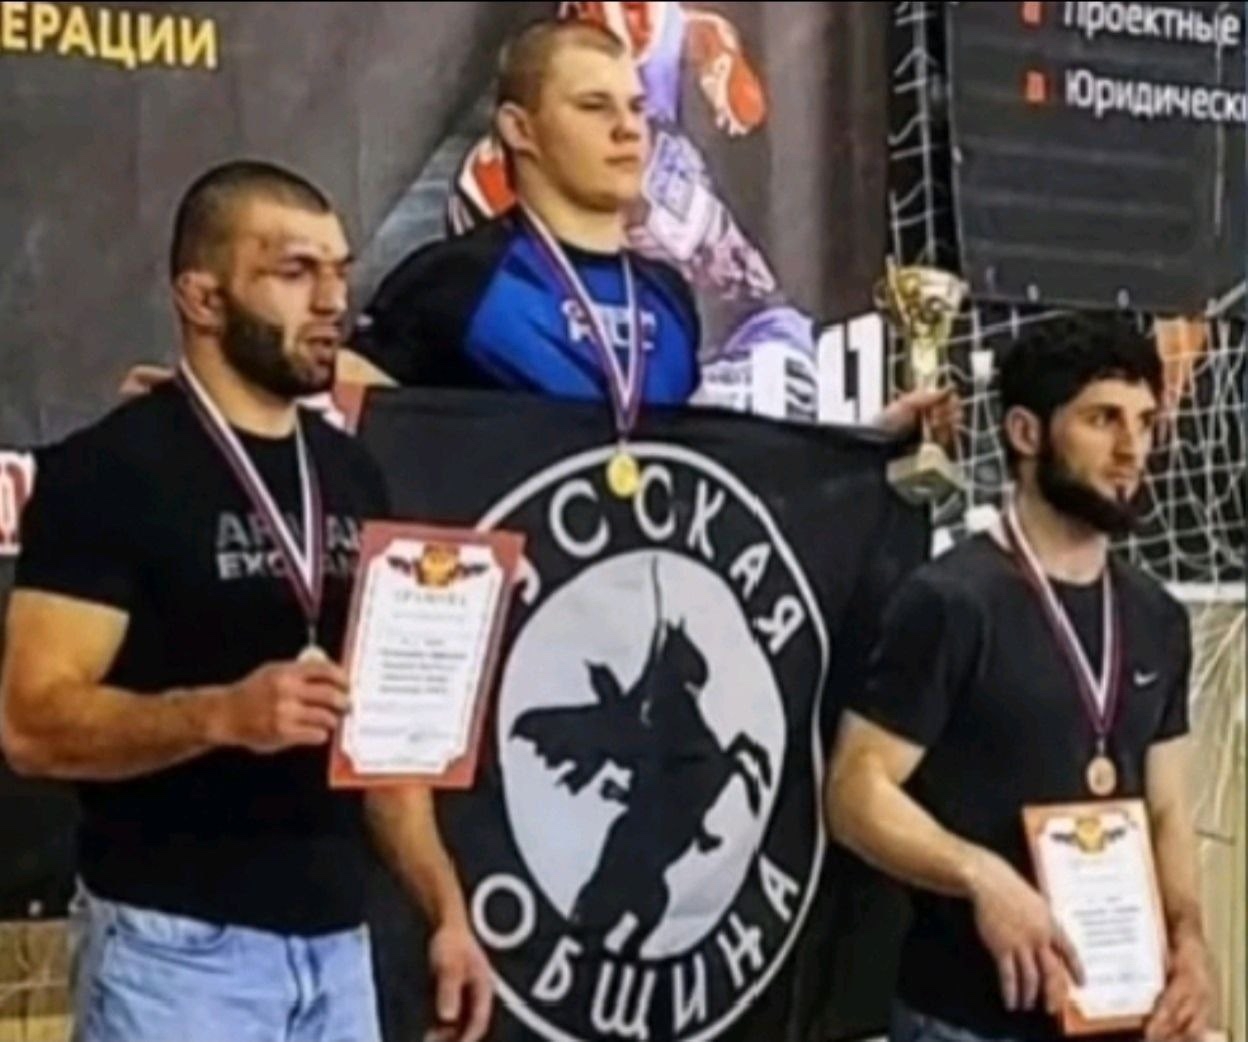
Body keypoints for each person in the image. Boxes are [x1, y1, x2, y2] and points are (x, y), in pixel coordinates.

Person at [0, 161, 492, 1042]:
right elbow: (31, 724)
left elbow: (383, 741)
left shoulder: (351, 474)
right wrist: (222, 714)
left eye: (339, 270)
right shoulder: (110, 472)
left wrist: (445, 910)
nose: (332, 300)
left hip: (339, 948)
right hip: (176, 953)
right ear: (202, 297)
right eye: (294, 271)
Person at [825, 313, 1214, 1042]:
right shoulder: (950, 601)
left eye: (1144, 422)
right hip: (967, 1019)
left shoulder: (1157, 616)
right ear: (1026, 433)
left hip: (1118, 1012)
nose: (1131, 449)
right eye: (1102, 419)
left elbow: (1166, 809)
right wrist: (981, 876)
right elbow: (854, 792)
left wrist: (1190, 938)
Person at [336, 16, 955, 442]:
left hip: (642, 581)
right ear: (520, 130)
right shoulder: (455, 279)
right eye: (593, 106)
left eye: (635, 107)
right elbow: (343, 418)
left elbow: (706, 463)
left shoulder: (666, 294)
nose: (629, 129)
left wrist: (871, 443)